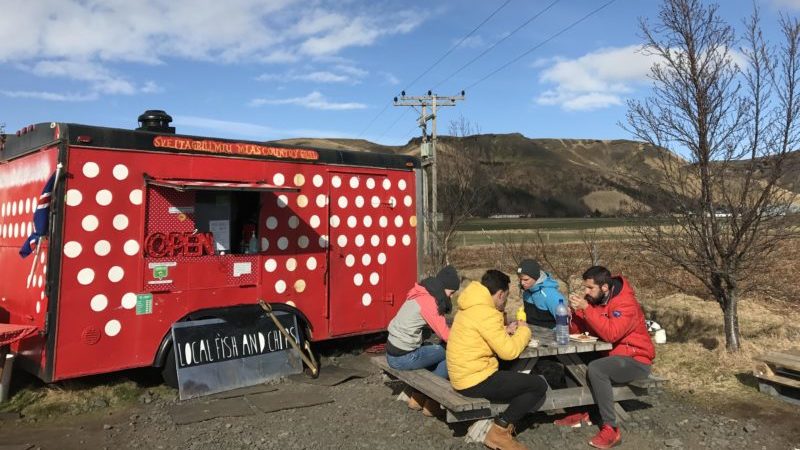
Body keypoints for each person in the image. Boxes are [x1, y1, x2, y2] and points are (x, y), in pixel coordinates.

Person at [554, 266, 655, 449]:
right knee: (571, 355)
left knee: (597, 369)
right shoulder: (594, 298)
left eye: (590, 288)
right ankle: (580, 411)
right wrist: (573, 315)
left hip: (635, 359)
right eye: (585, 287)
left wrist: (586, 309)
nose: (586, 292)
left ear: (605, 287)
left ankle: (611, 428)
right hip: (610, 355)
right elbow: (578, 332)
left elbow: (611, 334)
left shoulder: (626, 304)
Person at [447, 270, 548, 450]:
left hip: (461, 374)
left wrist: (503, 330)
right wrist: (524, 330)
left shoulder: (469, 307)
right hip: (474, 380)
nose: (505, 302)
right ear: (500, 294)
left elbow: (482, 334)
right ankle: (499, 431)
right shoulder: (487, 313)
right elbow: (509, 352)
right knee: (538, 385)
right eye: (506, 297)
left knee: (510, 369)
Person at [386, 265, 461, 417]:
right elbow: (448, 336)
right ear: (444, 287)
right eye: (451, 292)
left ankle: (418, 397)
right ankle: (430, 401)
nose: (451, 297)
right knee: (450, 352)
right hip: (403, 358)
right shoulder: (430, 303)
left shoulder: (421, 292)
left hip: (392, 352)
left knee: (436, 349)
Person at [516, 259, 565, 327]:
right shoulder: (527, 292)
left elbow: (563, 323)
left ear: (536, 277)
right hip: (530, 334)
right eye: (520, 279)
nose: (522, 283)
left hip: (550, 336)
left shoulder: (551, 295)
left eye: (526, 279)